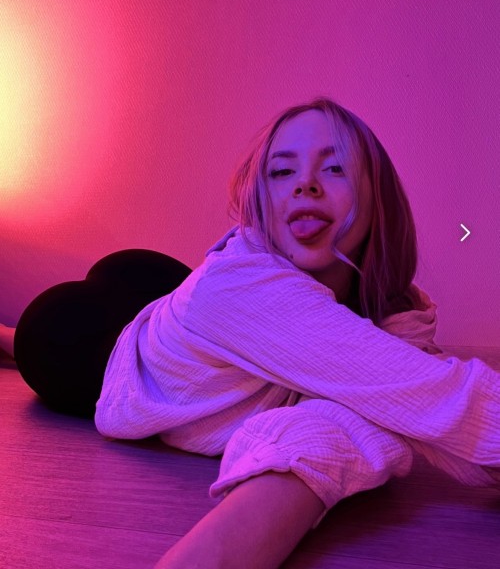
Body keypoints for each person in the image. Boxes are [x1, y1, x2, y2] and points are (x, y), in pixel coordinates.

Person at [1, 98, 499, 569]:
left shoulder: (389, 304)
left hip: (165, 290)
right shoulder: (245, 288)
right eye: (282, 172)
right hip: (84, 339)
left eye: (335, 168)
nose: (305, 185)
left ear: (379, 197)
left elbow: (395, 387)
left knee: (205, 302)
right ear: (261, 197)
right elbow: (432, 393)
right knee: (27, 338)